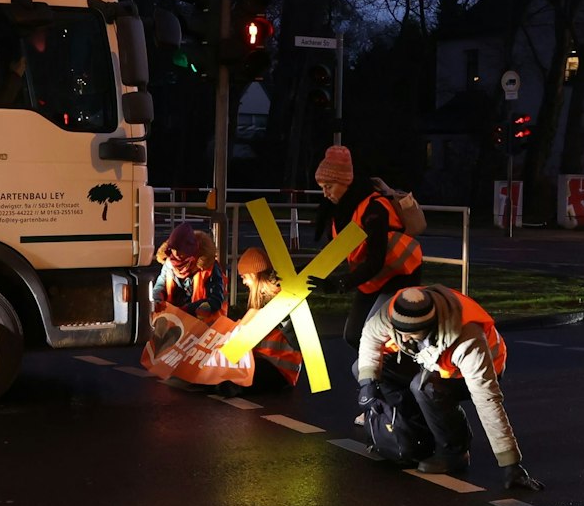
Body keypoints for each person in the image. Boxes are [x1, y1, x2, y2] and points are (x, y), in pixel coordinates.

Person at [355, 283, 542, 490]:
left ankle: (454, 452)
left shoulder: (467, 338)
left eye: (410, 333)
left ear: (429, 326)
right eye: (399, 332)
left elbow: (487, 400)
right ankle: (417, 435)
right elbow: (371, 336)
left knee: (426, 387)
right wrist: (367, 382)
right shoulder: (394, 310)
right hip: (429, 357)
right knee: (364, 369)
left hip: (477, 369)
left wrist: (510, 463)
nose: (403, 338)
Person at [312, 145, 423, 353]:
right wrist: (300, 273)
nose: (325, 193)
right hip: (372, 280)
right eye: (322, 187)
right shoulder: (341, 212)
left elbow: (375, 260)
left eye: (329, 186)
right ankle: (386, 374)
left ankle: (402, 372)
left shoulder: (374, 208)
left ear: (345, 183)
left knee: (372, 335)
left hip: (400, 276)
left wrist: (340, 283)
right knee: (354, 336)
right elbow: (332, 254)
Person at [231, 248, 302, 392]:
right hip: (272, 364)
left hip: (279, 369)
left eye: (244, 277)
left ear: (254, 275)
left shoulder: (282, 301)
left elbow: (296, 340)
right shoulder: (264, 303)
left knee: (232, 379)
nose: (243, 282)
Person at [149, 222, 224, 319]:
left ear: (190, 250)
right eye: (173, 249)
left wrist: (188, 310)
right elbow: (159, 287)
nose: (175, 253)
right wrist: (156, 301)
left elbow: (216, 299)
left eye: (180, 250)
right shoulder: (168, 264)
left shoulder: (208, 267)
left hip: (202, 323)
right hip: (173, 319)